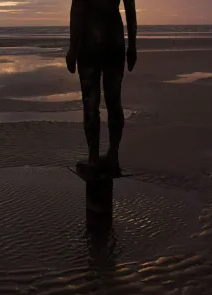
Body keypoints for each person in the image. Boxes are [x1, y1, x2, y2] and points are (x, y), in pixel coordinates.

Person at [66, 0, 137, 174]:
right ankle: (112, 156)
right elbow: (130, 9)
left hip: (90, 39)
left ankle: (94, 158)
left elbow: (77, 8)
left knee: (91, 102)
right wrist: (132, 46)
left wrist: (72, 48)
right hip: (115, 38)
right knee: (113, 100)